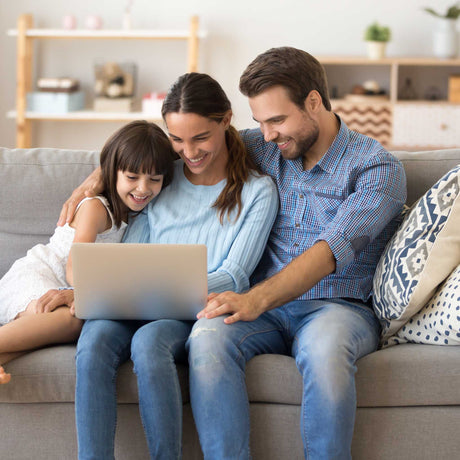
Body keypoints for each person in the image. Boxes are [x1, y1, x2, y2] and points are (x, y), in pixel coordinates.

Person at [185, 47, 407, 459]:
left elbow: (330, 252)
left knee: (325, 351)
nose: (267, 133)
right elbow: (191, 147)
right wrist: (98, 176)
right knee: (207, 337)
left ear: (313, 102)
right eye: (260, 123)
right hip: (265, 312)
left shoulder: (377, 169)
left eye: (277, 120)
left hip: (337, 308)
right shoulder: (266, 148)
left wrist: (254, 298)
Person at [55, 73, 278, 460]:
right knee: (92, 342)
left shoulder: (257, 191)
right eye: (177, 139)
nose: (188, 151)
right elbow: (132, 248)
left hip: (189, 307)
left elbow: (234, 275)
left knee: (148, 341)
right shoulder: (160, 177)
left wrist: (152, 288)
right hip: (133, 297)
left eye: (200, 138)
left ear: (226, 121)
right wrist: (92, 288)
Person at [0, 120, 175, 385]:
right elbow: (74, 264)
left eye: (154, 180)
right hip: (40, 274)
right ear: (112, 173)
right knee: (75, 322)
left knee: (76, 325)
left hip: (66, 287)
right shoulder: (96, 207)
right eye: (132, 177)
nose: (143, 188)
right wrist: (83, 294)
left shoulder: (137, 216)